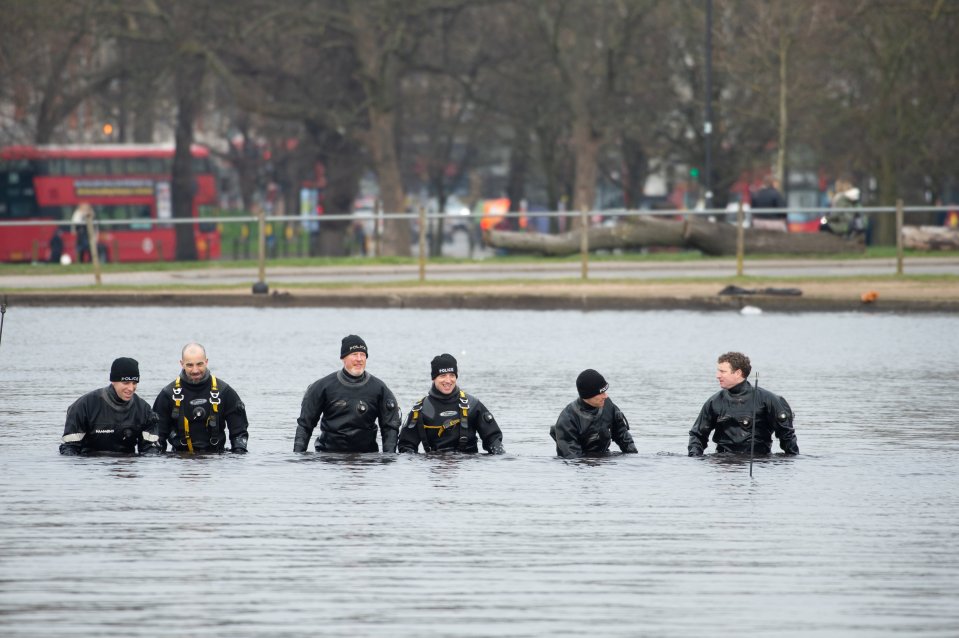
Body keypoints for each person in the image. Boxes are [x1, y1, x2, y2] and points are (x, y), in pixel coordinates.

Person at [294, 335, 401, 453]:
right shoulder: (322, 387)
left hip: (367, 458)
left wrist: (389, 459)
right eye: (354, 354)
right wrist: (298, 457)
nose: (359, 359)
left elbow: (390, 427)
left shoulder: (380, 389)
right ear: (343, 358)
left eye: (363, 355)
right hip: (328, 457)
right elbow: (305, 425)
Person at [688, 352, 799, 457]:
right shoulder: (714, 401)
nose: (717, 375)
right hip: (722, 463)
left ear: (738, 373)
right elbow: (697, 435)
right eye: (718, 371)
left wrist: (791, 463)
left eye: (722, 371)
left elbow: (787, 436)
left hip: (758, 462)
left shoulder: (769, 400)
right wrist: (695, 457)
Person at [397, 353, 505, 454]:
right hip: (434, 467)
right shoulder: (421, 409)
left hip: (468, 469)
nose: (448, 380)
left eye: (452, 375)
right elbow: (406, 447)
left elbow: (493, 440)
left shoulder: (472, 404)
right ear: (434, 378)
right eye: (443, 375)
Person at [153, 343, 249, 454]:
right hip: (180, 460)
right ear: (182, 364)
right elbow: (156, 437)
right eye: (189, 365)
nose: (195, 370)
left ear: (206, 362)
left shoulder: (224, 392)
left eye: (199, 364)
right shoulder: (167, 395)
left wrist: (238, 455)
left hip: (216, 460)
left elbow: (239, 433)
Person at [59, 357, 162, 456]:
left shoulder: (144, 410)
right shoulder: (84, 405)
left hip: (128, 466)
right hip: (92, 467)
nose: (131, 388)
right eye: (125, 382)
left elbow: (150, 449)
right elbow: (70, 449)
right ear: (113, 381)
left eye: (134, 383)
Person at [550, 369, 638, 459]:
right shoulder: (567, 419)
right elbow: (572, 458)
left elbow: (622, 434)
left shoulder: (608, 405)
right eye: (601, 392)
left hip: (603, 457)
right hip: (581, 464)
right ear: (588, 395)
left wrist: (634, 458)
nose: (606, 396)